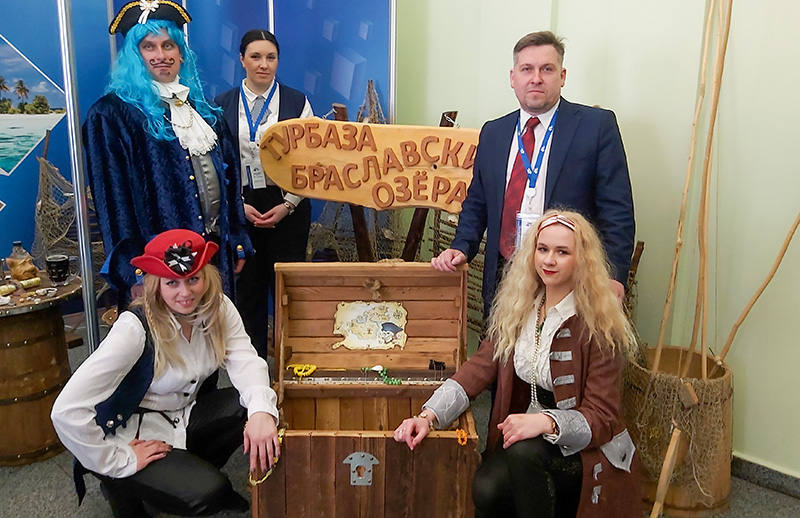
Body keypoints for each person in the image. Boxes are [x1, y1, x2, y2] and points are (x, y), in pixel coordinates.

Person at [396, 211, 641, 518]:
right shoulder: (520, 308)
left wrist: (546, 422)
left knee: (524, 454)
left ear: (582, 260)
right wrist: (428, 416)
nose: (549, 260)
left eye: (562, 252)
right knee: (487, 489)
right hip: (528, 438)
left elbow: (602, 417)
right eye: (543, 249)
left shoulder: (599, 324)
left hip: (586, 450)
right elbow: (478, 368)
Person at [51, 229, 280, 518]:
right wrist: (117, 459)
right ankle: (120, 484)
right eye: (172, 283)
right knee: (209, 494)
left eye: (193, 279)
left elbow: (245, 360)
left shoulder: (218, 307)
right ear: (155, 284)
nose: (185, 293)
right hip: (133, 431)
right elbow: (65, 411)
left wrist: (261, 413)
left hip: (183, 413)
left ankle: (183, 473)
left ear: (206, 276)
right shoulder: (133, 329)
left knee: (253, 405)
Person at [431, 31, 634, 316]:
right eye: (527, 69)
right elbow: (478, 201)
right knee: (503, 344)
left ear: (562, 76)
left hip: (570, 278)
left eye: (546, 69)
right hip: (505, 275)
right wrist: (462, 246)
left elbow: (617, 211)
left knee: (560, 346)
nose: (536, 78)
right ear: (513, 77)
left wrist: (614, 276)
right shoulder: (494, 132)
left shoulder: (596, 127)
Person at [83, 1, 252, 309]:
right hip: (159, 266)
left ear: (181, 53)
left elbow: (230, 180)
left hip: (213, 255)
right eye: (149, 47)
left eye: (168, 45)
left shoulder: (206, 111)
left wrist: (237, 237)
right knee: (168, 337)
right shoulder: (111, 115)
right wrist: (134, 271)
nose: (161, 55)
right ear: (135, 56)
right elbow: (112, 201)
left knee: (215, 333)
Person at [215, 29, 314, 359]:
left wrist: (288, 204)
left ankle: (292, 368)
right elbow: (215, 163)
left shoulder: (298, 102)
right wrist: (236, 205)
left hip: (287, 204)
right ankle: (252, 370)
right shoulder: (221, 105)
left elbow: (311, 161)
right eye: (255, 56)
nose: (263, 64)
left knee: (289, 291)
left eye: (271, 57)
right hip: (242, 206)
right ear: (241, 59)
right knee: (248, 293)